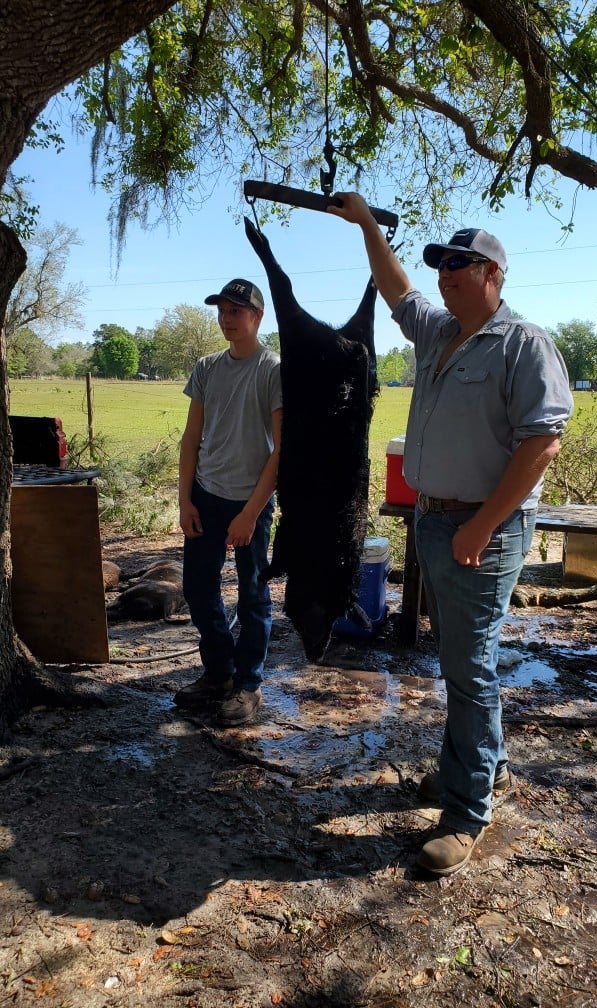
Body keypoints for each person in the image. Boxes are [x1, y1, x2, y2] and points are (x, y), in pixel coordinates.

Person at [328, 194, 573, 876]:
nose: (443, 275)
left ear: (492, 271)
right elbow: (395, 286)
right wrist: (370, 228)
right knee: (457, 664)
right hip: (434, 520)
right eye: (441, 264)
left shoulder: (525, 344)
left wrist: (483, 524)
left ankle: (466, 815)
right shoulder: (439, 332)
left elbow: (542, 443)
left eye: (458, 264)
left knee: (469, 671)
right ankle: (478, 769)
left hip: (481, 529)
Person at [173, 278, 282, 727]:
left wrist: (251, 513)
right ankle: (219, 672)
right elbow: (191, 437)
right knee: (199, 590)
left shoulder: (273, 370)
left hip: (249, 502)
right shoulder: (206, 367)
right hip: (205, 495)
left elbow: (282, 450)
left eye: (237, 311)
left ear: (257, 317)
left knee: (253, 595)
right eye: (221, 310)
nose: (227, 318)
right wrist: (184, 501)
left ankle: (248, 686)